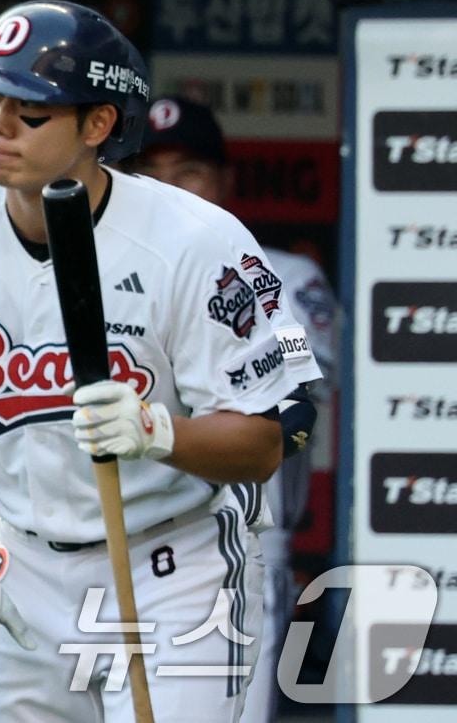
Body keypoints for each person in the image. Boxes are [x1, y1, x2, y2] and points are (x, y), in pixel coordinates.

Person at [0, 0, 324, 721]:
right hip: (21, 560)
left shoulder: (194, 241)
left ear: (98, 124)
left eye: (29, 114)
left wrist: (160, 432)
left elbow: (280, 432)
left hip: (170, 562)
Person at [128, 97, 338, 723]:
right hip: (111, 541)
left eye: (188, 170)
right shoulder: (99, 274)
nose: (168, 187)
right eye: (150, 169)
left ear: (225, 180)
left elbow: (299, 397)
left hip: (237, 538)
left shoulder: (282, 277)